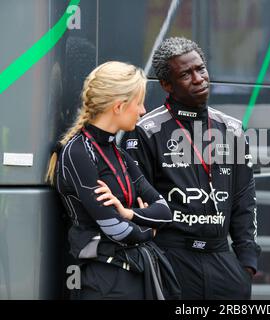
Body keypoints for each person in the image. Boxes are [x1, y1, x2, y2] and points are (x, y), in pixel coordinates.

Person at [121, 37, 260, 299]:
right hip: (171, 260)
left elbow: (244, 200)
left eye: (201, 69)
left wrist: (246, 264)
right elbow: (138, 203)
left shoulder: (231, 129)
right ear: (166, 85)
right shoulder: (146, 131)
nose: (198, 79)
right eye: (186, 74)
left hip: (224, 262)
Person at [46, 61, 179, 300]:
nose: (143, 110)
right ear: (119, 106)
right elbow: (117, 230)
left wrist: (128, 213)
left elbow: (166, 212)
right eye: (138, 103)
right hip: (102, 281)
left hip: (133, 275)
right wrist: (149, 228)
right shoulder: (78, 153)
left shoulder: (120, 154)